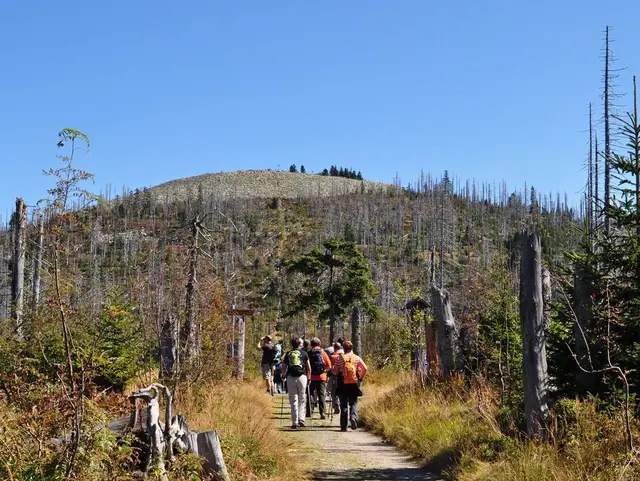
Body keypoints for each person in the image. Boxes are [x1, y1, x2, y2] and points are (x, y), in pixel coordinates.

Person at [332, 340, 368, 432]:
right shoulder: (356, 358)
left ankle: (344, 426)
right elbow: (365, 368)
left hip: (342, 383)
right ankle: (353, 417)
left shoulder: (339, 358)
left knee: (343, 405)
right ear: (352, 348)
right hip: (353, 383)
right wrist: (361, 378)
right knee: (354, 402)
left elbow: (335, 372)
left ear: (343, 348)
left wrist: (333, 370)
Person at [282, 337, 311, 429]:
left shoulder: (288, 353)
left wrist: (283, 375)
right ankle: (301, 419)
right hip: (302, 377)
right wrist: (309, 378)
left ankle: (295, 422)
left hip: (291, 377)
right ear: (300, 344)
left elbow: (284, 366)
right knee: (302, 399)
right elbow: (308, 367)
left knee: (293, 400)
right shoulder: (304, 353)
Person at [308, 337, 332, 419]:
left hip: (311, 377)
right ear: (319, 344)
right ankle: (323, 413)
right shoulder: (323, 352)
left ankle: (309, 412)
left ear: (311, 345)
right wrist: (324, 371)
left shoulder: (309, 353)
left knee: (310, 394)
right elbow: (329, 366)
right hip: (321, 377)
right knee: (321, 395)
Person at [328, 341, 343, 414]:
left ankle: (335, 405)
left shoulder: (331, 356)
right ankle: (340, 405)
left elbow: (329, 366)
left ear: (334, 348)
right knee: (340, 391)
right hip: (342, 377)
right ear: (340, 348)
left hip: (333, 376)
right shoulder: (343, 356)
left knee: (333, 392)